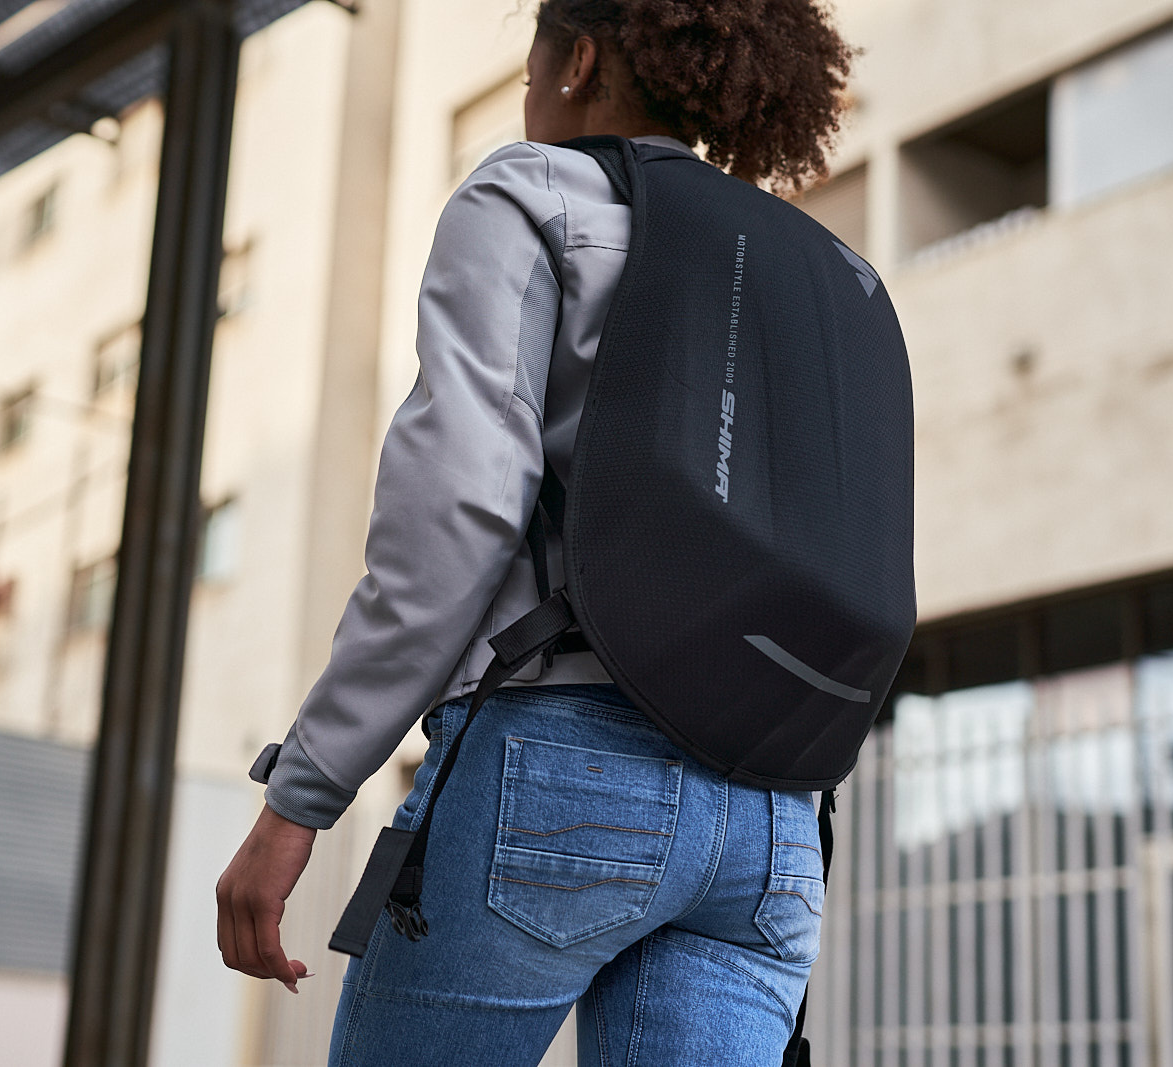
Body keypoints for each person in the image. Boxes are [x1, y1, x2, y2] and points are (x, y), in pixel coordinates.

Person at [216, 1, 858, 1063]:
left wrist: (301, 797)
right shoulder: (808, 258)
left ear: (579, 61)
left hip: (560, 763)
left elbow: (457, 515)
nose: (525, 101)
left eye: (526, 74)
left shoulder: (529, 192)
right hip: (775, 817)